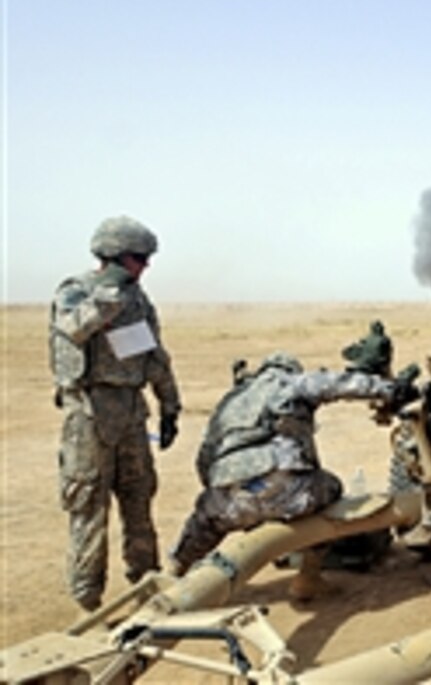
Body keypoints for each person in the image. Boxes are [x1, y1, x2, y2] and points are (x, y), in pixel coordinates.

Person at [168, 351, 411, 598]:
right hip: (290, 491)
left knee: (202, 523)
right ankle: (309, 577)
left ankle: (172, 574)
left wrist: (235, 494)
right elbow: (337, 384)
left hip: (228, 499)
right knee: (331, 489)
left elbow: (205, 460)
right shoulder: (290, 383)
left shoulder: (229, 402)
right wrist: (389, 388)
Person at [48, 215, 182, 612]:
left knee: (139, 501)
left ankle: (146, 586)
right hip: (89, 418)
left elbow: (153, 357)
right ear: (114, 256)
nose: (145, 266)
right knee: (89, 508)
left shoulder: (138, 299)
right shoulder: (76, 292)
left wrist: (169, 406)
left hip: (131, 415)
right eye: (139, 258)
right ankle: (88, 602)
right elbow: (72, 329)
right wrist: (108, 296)